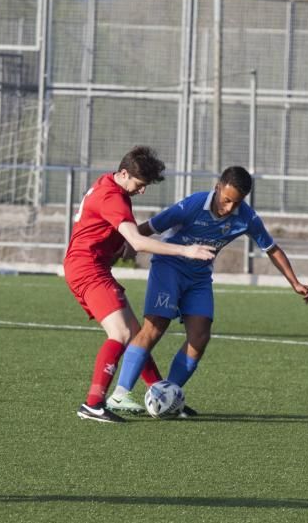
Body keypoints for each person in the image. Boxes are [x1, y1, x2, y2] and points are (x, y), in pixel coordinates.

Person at [106, 166, 308, 417]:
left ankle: (167, 395)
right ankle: (120, 393)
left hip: (199, 277)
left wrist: (295, 282)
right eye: (226, 200)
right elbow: (152, 226)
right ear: (217, 187)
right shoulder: (193, 204)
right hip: (169, 267)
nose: (228, 208)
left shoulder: (246, 217)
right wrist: (123, 244)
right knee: (156, 326)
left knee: (200, 335)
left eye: (235, 203)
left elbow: (272, 248)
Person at [64, 146, 216, 423]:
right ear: (123, 173)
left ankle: (162, 395)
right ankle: (93, 403)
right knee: (121, 334)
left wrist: (118, 243)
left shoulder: (109, 185)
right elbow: (137, 241)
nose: (142, 191)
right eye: (139, 184)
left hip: (90, 266)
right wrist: (186, 251)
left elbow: (115, 233)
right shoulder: (113, 197)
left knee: (136, 336)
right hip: (87, 268)